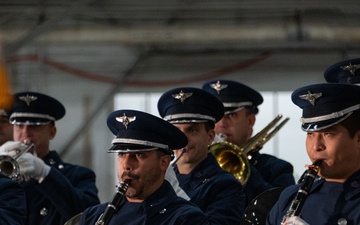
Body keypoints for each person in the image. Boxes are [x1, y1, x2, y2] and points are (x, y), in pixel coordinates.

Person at [79, 109, 209, 225]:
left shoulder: (186, 218)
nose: (126, 165)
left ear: (163, 162)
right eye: (122, 154)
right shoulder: (93, 216)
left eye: (139, 155)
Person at [267, 83, 360, 225]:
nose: (316, 146)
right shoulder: (289, 197)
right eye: (310, 134)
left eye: (328, 134)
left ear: (358, 139)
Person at [3, 91, 100, 225]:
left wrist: (45, 173)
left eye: (34, 126)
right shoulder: (4, 174)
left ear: (52, 132)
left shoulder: (77, 175)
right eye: (19, 126)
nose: (25, 133)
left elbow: (90, 217)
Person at [157, 87, 246, 225]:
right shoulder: (160, 179)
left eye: (192, 130)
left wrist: (173, 194)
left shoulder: (226, 186)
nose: (183, 139)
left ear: (210, 137)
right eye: (176, 131)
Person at [202, 80, 295, 204]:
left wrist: (244, 169)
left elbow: (280, 211)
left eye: (231, 116)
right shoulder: (198, 166)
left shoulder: (277, 169)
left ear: (250, 121)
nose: (222, 124)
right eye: (216, 117)